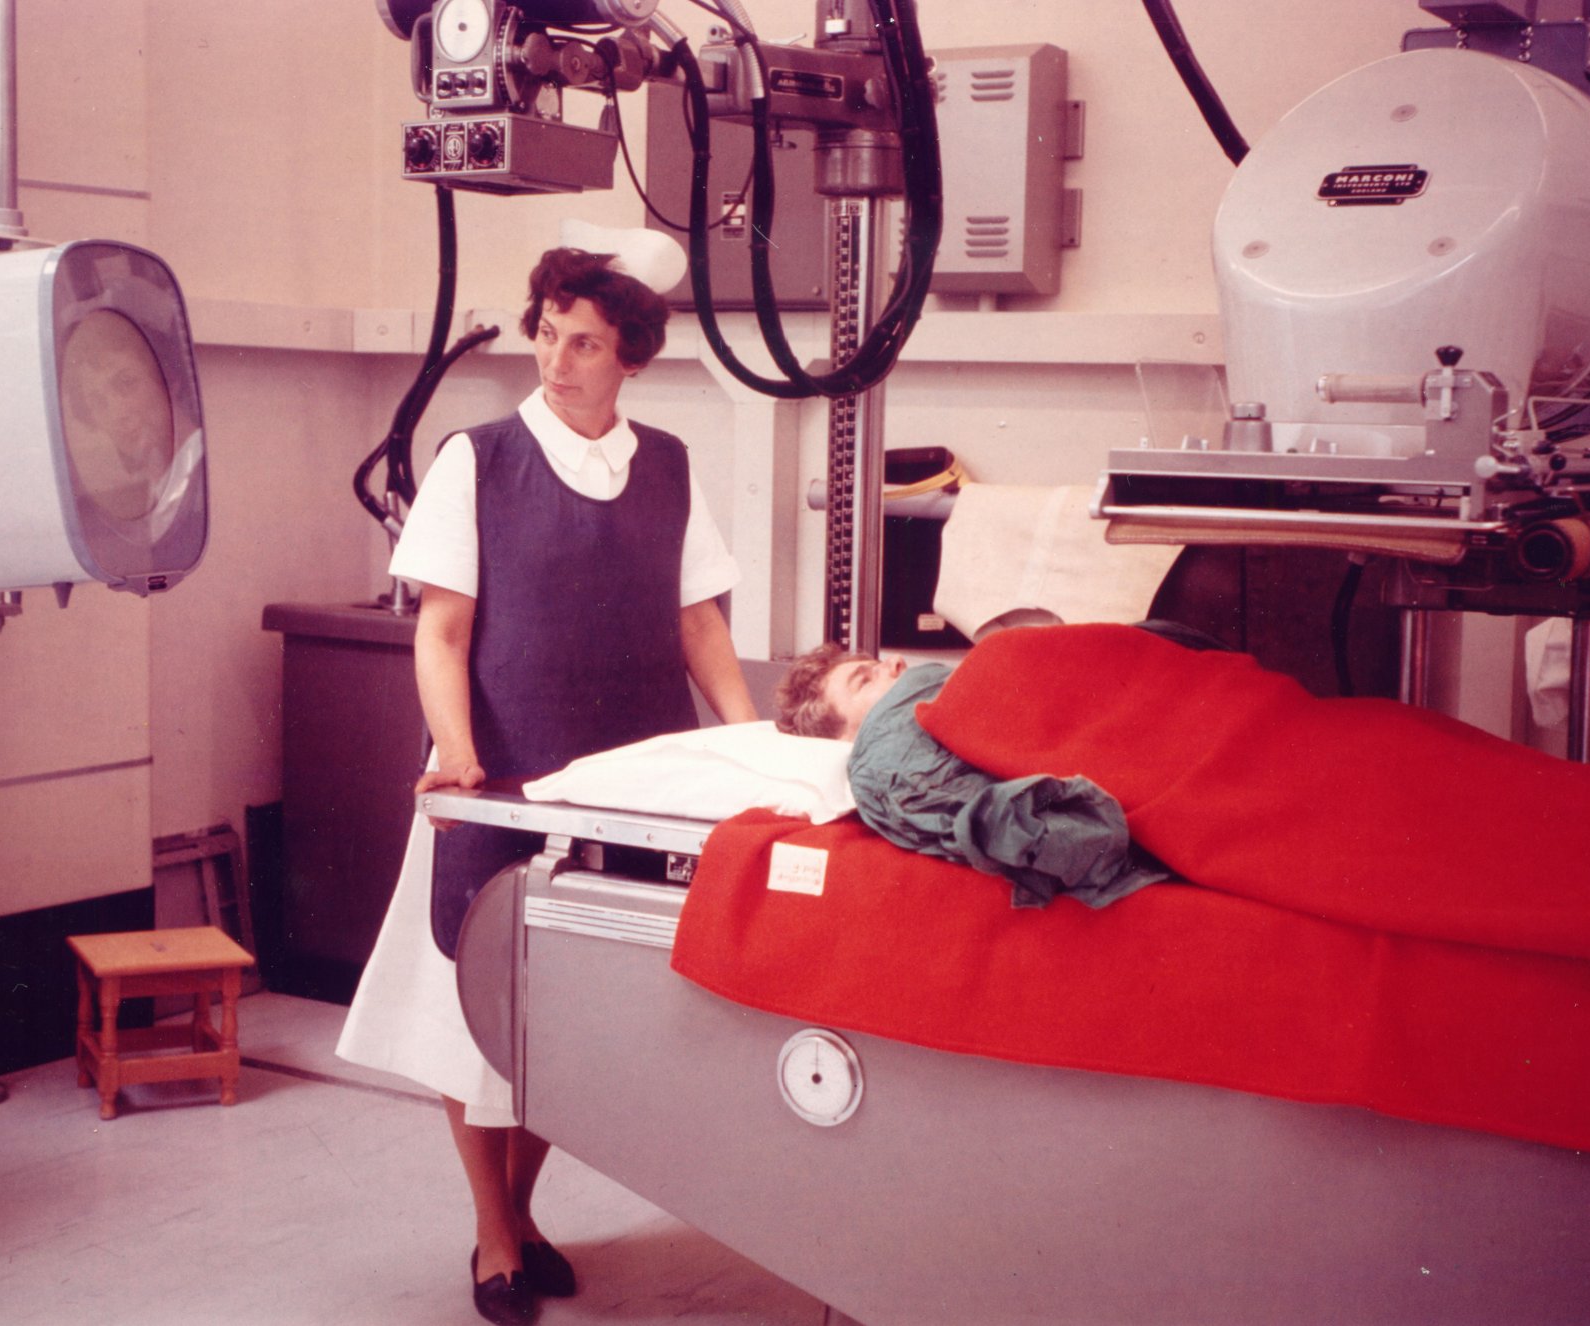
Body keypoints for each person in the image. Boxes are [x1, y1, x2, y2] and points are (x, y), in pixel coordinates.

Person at [337, 222, 758, 1325]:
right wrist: (459, 753)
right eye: (548, 334)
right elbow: (441, 630)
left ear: (631, 359)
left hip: (630, 780)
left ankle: (524, 1212)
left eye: (583, 343)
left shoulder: (665, 464)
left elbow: (698, 625)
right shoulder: (479, 461)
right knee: (473, 1015)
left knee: (575, 1022)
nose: (555, 358)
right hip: (502, 769)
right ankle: (491, 1233)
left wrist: (749, 745)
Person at [773, 637, 1173, 910]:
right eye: (865, 680)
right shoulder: (884, 767)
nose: (895, 663)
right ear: (844, 737)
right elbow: (1061, 833)